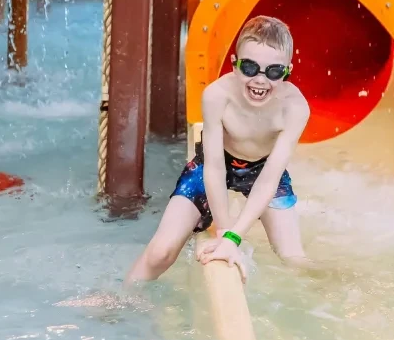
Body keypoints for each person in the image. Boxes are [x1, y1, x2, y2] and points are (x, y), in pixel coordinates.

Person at [125, 15, 311, 284]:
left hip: (262, 170)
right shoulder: (217, 96)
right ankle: (120, 301)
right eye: (250, 67)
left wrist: (235, 237)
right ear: (234, 65)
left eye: (273, 71)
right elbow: (213, 167)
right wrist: (225, 231)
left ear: (287, 71)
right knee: (160, 253)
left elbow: (269, 179)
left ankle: (341, 283)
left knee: (294, 260)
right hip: (212, 166)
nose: (260, 80)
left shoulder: (294, 108)